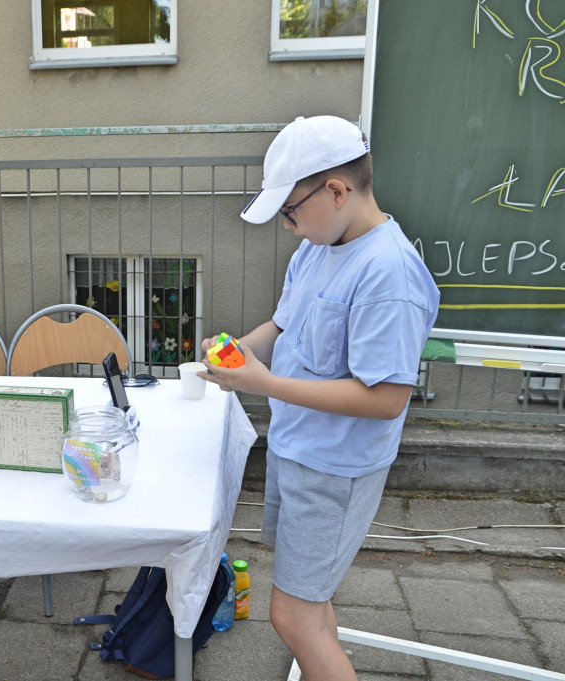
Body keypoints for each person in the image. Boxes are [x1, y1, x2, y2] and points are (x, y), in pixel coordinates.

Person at [201, 115, 439, 681]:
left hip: (336, 469)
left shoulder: (389, 273)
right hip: (297, 448)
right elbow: (281, 328)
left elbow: (385, 399)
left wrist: (263, 384)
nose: (288, 226)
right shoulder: (317, 247)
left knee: (293, 617)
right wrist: (234, 350)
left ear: (337, 191)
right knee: (311, 599)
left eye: (290, 210)